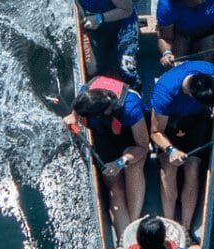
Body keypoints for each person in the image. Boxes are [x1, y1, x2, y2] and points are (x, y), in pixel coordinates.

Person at [149, 61, 214, 230]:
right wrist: (171, 150)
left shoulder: (211, 72)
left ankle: (186, 228)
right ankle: (171, 224)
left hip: (196, 119)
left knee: (192, 168)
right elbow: (155, 132)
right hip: (170, 123)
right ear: (191, 95)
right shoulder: (164, 92)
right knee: (169, 169)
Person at [62, 76, 149, 237]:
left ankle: (134, 222)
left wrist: (120, 163)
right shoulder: (86, 94)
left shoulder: (130, 107)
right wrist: (70, 121)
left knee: (133, 167)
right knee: (114, 188)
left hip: (131, 139)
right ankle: (126, 237)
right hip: (105, 136)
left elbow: (143, 147)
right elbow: (73, 117)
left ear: (105, 111)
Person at [78, 0, 140, 86]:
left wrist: (99, 18)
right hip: (93, 23)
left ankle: (134, 92)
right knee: (92, 70)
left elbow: (127, 10)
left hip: (122, 21)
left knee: (127, 70)